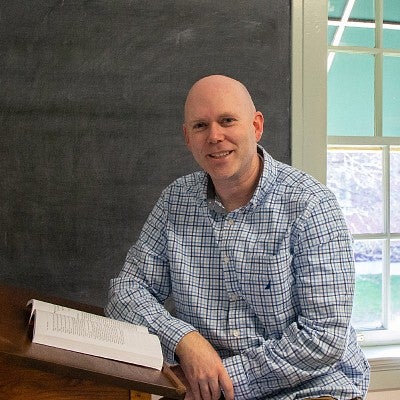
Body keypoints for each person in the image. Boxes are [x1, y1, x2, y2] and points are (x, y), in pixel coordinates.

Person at [105, 75, 370, 400]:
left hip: (311, 389)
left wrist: (217, 379)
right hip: (203, 387)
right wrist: (186, 341)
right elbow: (127, 292)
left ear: (256, 126)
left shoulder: (311, 206)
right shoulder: (175, 200)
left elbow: (323, 338)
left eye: (227, 121)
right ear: (187, 137)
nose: (215, 136)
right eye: (200, 126)